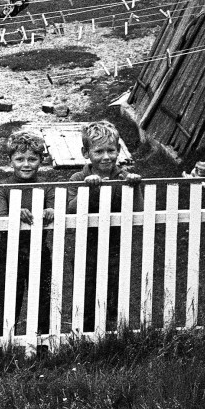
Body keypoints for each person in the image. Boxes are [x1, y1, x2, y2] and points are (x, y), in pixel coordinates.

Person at [67, 120, 141, 333]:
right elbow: (71, 210)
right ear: (86, 152)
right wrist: (88, 189)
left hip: (117, 248)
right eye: (99, 151)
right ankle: (86, 335)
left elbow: (139, 211)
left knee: (115, 292)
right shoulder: (78, 177)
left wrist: (134, 187)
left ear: (119, 150)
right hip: (86, 249)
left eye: (111, 150)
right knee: (87, 292)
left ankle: (113, 335)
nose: (106, 156)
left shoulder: (124, 178)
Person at [0, 130, 55, 335]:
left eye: (32, 159)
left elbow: (55, 208)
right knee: (9, 301)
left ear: (41, 160)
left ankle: (42, 342)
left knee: (42, 300)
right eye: (20, 159)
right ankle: (4, 342)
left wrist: (50, 210)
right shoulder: (3, 188)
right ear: (10, 160)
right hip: (10, 254)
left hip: (40, 253)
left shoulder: (47, 187)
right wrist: (15, 212)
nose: (26, 164)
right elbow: (0, 215)